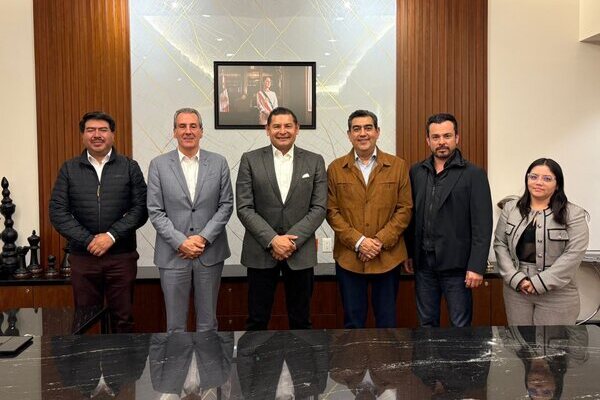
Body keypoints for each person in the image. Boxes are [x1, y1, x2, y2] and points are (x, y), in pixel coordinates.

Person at [49, 111, 148, 333]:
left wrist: (111, 236)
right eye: (90, 130)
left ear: (112, 134)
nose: (97, 135)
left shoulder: (129, 167)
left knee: (123, 320)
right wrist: (89, 241)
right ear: (83, 135)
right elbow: (58, 212)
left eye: (103, 130)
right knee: (85, 321)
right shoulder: (69, 169)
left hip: (121, 256)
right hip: (84, 257)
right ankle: (88, 359)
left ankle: (122, 358)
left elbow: (141, 209)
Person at [236, 106, 327, 330]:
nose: (282, 131)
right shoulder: (250, 160)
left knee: (301, 321)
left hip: (300, 252)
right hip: (260, 251)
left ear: (297, 129)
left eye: (288, 126)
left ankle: (301, 357)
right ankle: (257, 357)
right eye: (276, 126)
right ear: (267, 130)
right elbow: (245, 207)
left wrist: (290, 242)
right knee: (257, 321)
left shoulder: (315, 161)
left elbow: (319, 208)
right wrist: (273, 240)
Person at [147, 108, 233, 332]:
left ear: (201, 131)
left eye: (193, 126)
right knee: (175, 326)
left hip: (209, 254)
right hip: (172, 254)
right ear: (174, 132)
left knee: (208, 324)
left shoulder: (219, 162)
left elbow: (226, 205)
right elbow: (155, 210)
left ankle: (209, 358)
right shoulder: (158, 165)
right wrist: (181, 242)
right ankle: (177, 359)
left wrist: (202, 238)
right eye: (182, 126)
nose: (188, 131)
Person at [326, 109, 412, 328]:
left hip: (388, 258)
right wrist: (359, 242)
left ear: (377, 132)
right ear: (349, 135)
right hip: (349, 259)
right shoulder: (335, 169)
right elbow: (331, 211)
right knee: (353, 324)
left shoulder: (398, 166)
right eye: (356, 129)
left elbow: (404, 209)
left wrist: (379, 241)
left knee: (387, 323)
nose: (362, 133)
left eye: (368, 128)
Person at [405, 112, 492, 327]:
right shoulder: (417, 172)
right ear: (428, 140)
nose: (441, 142)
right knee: (426, 324)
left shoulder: (474, 174)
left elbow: (482, 225)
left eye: (447, 136)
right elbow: (411, 216)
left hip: (458, 267)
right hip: (424, 266)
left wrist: (477, 266)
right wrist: (409, 253)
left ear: (457, 138)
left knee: (460, 326)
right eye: (436, 137)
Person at [494, 158, 589, 325]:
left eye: (547, 178)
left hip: (557, 293)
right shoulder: (511, 208)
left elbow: (574, 254)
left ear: (557, 184)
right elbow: (500, 244)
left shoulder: (573, 213)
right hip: (517, 290)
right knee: (520, 340)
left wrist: (539, 282)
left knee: (553, 342)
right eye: (533, 177)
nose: (538, 182)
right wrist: (516, 279)